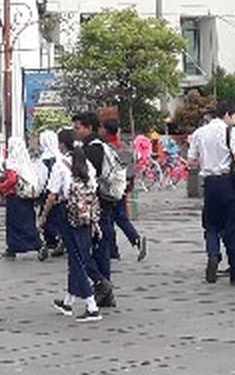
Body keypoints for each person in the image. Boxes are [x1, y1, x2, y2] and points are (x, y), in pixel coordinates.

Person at [187, 105, 235, 284]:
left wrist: (208, 161)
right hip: (229, 184)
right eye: (234, 117)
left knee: (211, 225)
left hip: (210, 185)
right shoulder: (230, 132)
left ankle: (213, 255)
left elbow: (191, 162)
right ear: (227, 114)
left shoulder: (199, 133)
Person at [40, 131, 102, 322]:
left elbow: (52, 194)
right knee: (81, 256)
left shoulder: (60, 165)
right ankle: (68, 301)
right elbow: (94, 186)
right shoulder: (86, 164)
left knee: (75, 259)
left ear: (62, 145)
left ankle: (92, 306)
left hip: (68, 213)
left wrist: (43, 216)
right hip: (86, 214)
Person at [73, 111, 116, 308]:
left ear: (89, 128)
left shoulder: (91, 150)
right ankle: (105, 291)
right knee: (101, 247)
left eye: (78, 128)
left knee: (88, 248)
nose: (77, 132)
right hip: (103, 203)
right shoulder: (101, 146)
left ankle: (102, 285)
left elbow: (85, 178)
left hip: (94, 205)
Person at [101, 119, 147, 262]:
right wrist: (130, 184)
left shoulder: (106, 149)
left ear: (106, 131)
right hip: (123, 186)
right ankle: (136, 239)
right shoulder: (125, 148)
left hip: (109, 188)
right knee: (121, 217)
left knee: (107, 219)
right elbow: (132, 168)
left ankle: (112, 251)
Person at [2, 136, 44, 258]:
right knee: (27, 221)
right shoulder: (26, 162)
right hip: (26, 197)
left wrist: (0, 188)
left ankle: (18, 246)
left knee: (14, 223)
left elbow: (12, 179)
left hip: (14, 197)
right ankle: (30, 245)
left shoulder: (12, 163)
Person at [37, 129, 64, 258]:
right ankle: (60, 237)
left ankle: (52, 241)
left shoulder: (44, 160)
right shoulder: (61, 156)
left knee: (46, 217)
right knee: (59, 217)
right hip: (60, 192)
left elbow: (41, 181)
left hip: (48, 192)